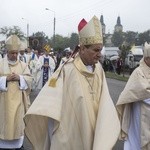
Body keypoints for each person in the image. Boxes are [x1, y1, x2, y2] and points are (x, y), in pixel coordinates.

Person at [24, 16, 120, 150]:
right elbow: (52, 104)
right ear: (82, 49)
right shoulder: (67, 70)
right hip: (72, 133)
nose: (100, 55)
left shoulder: (99, 70)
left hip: (96, 128)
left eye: (100, 50)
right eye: (95, 50)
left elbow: (105, 101)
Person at [0, 35, 32, 150]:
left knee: (17, 129)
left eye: (16, 53)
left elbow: (29, 80)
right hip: (3, 105)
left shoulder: (23, 66)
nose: (14, 55)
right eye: (12, 53)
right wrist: (5, 79)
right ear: (7, 52)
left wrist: (20, 78)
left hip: (18, 103)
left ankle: (18, 146)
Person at [116, 42, 150, 150]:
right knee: (138, 140)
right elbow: (143, 92)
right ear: (147, 58)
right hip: (139, 112)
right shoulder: (138, 72)